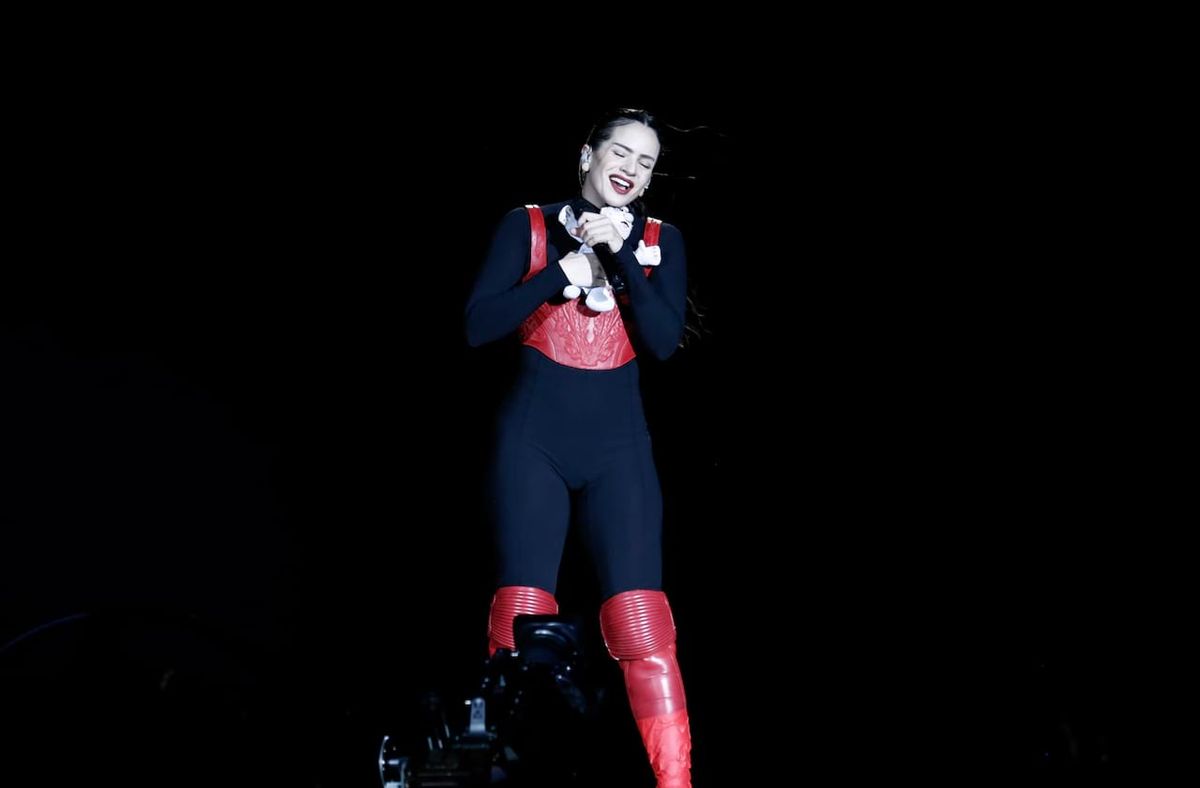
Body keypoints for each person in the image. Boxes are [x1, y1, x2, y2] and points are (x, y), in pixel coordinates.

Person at [464, 108, 691, 787]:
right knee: (521, 618)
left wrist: (615, 255)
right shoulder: (528, 225)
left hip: (619, 449)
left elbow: (664, 342)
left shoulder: (661, 240)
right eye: (620, 152)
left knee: (642, 624)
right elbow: (478, 325)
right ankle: (499, 772)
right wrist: (559, 271)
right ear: (588, 154)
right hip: (533, 443)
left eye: (645, 163)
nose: (630, 169)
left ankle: (676, 783)